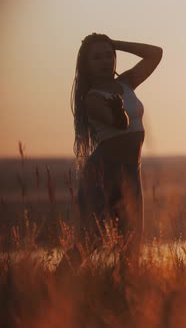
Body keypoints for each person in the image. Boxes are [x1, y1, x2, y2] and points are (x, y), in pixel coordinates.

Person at [62, 33, 162, 270]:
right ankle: (52, 285)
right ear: (86, 64)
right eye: (97, 57)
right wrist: (118, 109)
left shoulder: (126, 83)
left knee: (131, 244)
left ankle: (124, 297)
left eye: (109, 56)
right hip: (104, 174)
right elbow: (120, 124)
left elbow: (155, 54)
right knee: (90, 240)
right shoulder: (92, 99)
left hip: (131, 173)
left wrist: (115, 43)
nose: (105, 61)